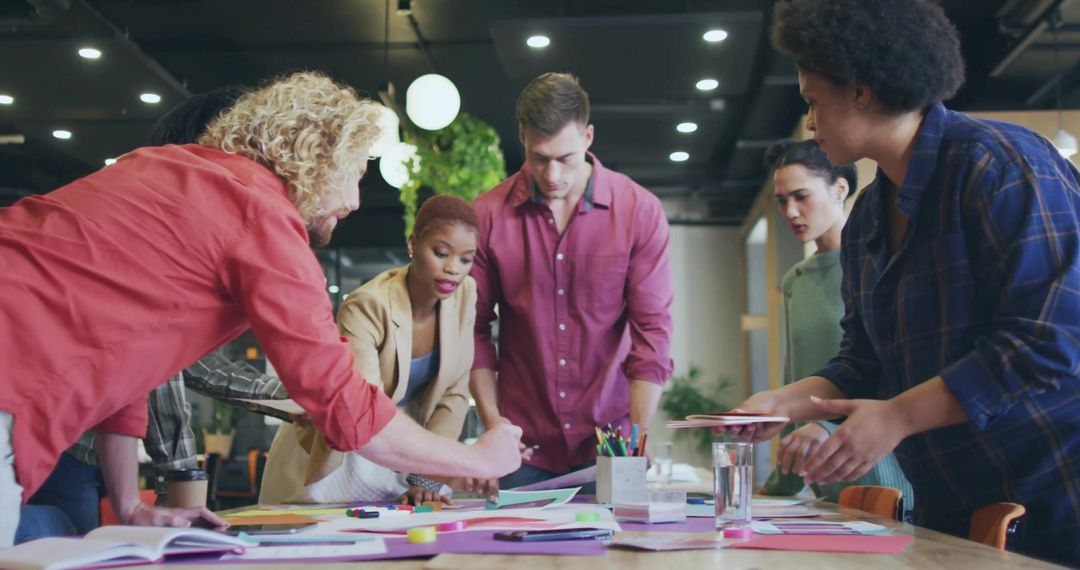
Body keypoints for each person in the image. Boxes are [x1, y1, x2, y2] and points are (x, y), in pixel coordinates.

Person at [0, 71, 524, 548]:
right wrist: (477, 458)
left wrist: (129, 504)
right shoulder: (262, 215)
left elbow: (131, 369)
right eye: (358, 173)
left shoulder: (162, 168)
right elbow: (343, 406)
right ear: (323, 155)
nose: (358, 201)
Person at [720, 1, 1080, 565]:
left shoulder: (1002, 166)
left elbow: (1050, 342)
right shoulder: (867, 217)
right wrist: (781, 404)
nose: (809, 122)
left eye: (814, 101)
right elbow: (865, 358)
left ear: (861, 90)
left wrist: (897, 417)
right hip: (948, 507)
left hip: (1054, 498)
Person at [470, 72, 674, 489]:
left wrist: (635, 438)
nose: (552, 176)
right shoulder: (487, 216)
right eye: (538, 157)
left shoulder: (639, 211)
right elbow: (472, 331)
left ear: (588, 136)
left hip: (611, 444)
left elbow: (652, 330)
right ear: (523, 136)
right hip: (521, 447)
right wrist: (494, 426)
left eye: (564, 158)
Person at [261, 195, 504, 505]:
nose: (453, 270)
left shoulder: (465, 295)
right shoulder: (367, 306)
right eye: (441, 253)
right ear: (413, 244)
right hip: (341, 455)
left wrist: (426, 479)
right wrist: (441, 468)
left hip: (402, 453)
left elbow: (453, 396)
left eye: (466, 259)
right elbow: (361, 410)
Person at [757, 139, 913, 512]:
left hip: (885, 478)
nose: (790, 211)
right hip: (824, 489)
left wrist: (829, 428)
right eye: (781, 201)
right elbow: (797, 377)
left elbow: (894, 375)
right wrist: (783, 482)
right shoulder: (795, 279)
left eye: (801, 196)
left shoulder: (880, 266)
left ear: (840, 189)